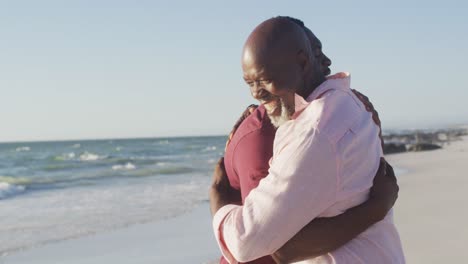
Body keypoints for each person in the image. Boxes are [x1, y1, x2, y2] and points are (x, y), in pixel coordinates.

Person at [210, 17, 405, 263]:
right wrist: (375, 210)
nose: (256, 93)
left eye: (264, 79)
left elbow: (249, 242)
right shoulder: (350, 104)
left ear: (302, 63)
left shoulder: (313, 133)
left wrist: (218, 200)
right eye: (250, 83)